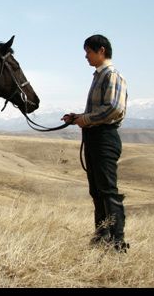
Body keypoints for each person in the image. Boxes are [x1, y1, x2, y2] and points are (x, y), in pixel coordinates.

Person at [62, 34, 129, 253]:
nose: (86, 56)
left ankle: (118, 241)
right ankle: (102, 236)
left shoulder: (112, 75)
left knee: (108, 191)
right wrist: (77, 117)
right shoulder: (99, 75)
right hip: (95, 137)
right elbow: (99, 111)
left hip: (104, 137)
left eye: (88, 52)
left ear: (101, 50)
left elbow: (113, 109)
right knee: (97, 191)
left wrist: (86, 119)